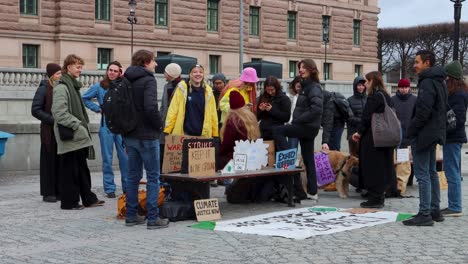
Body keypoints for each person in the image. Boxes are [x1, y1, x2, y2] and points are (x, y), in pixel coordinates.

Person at [51, 54, 105, 210]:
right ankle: (69, 202)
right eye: (77, 66)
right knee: (69, 171)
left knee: (81, 168)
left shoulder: (73, 86)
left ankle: (88, 198)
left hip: (77, 136)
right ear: (68, 67)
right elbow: (59, 112)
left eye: (81, 66)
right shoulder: (62, 87)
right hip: (70, 135)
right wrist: (78, 125)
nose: (80, 69)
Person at [123, 49, 169, 229]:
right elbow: (151, 108)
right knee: (152, 177)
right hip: (147, 135)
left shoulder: (125, 79)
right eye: (153, 61)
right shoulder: (148, 80)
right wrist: (159, 126)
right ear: (145, 62)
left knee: (133, 177)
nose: (156, 64)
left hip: (130, 134)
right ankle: (152, 217)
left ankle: (131, 215)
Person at [403, 50, 447, 226]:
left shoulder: (427, 82)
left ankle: (425, 213)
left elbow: (423, 111)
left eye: (417, 62)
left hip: (424, 134)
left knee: (423, 175)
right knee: (431, 172)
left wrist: (411, 130)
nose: (414, 65)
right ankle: (434, 210)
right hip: (434, 132)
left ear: (427, 63)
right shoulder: (440, 81)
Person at [274, 59, 323, 201]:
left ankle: (288, 159)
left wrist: (299, 119)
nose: (300, 69)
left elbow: (316, 109)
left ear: (311, 69)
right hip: (308, 127)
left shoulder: (313, 87)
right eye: (300, 67)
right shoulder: (306, 86)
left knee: (279, 131)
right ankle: (313, 192)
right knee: (308, 159)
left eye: (303, 67)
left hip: (306, 126)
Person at [82, 61, 129, 198]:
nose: (112, 72)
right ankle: (109, 188)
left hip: (121, 127)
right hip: (106, 127)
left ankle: (127, 187)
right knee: (107, 159)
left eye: (115, 71)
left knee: (125, 158)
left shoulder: (123, 85)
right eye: (110, 70)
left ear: (119, 72)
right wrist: (98, 109)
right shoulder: (100, 86)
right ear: (107, 71)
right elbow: (85, 98)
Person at [220, 91, 275, 203]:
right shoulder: (251, 117)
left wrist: (219, 154)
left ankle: (229, 188)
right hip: (252, 158)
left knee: (220, 159)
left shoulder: (233, 120)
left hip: (236, 158)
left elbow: (227, 144)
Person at [351, 71, 395, 209]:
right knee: (382, 167)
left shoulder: (374, 97)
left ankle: (375, 198)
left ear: (372, 82)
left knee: (372, 168)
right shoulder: (387, 96)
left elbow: (366, 117)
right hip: (386, 138)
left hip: (373, 138)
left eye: (366, 81)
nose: (365, 84)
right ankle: (379, 196)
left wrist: (358, 132)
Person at [31, 63, 62, 203]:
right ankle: (48, 192)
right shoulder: (43, 89)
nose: (60, 76)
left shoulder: (60, 88)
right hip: (48, 132)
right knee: (48, 161)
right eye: (57, 73)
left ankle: (58, 190)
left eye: (60, 73)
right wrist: (52, 120)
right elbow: (35, 109)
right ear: (51, 75)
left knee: (59, 161)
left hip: (59, 131)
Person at [441, 60, 467, 217]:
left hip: (452, 139)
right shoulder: (459, 93)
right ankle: (454, 205)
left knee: (452, 172)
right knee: (452, 171)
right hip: (453, 138)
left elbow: (458, 120)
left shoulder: (458, 95)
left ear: (451, 78)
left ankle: (455, 206)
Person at [164, 64, 218, 138]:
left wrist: (215, 133)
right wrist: (168, 129)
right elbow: (173, 110)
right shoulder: (182, 88)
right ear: (190, 75)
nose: (198, 74)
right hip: (184, 134)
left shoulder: (208, 91)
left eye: (201, 72)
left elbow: (213, 114)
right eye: (195, 72)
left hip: (203, 135)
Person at [391, 78, 417, 195]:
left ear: (409, 88)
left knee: (404, 164)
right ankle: (392, 185)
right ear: (398, 88)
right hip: (395, 136)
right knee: (394, 163)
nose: (404, 90)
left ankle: (400, 188)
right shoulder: (392, 100)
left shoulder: (414, 100)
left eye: (406, 87)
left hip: (408, 137)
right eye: (402, 87)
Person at [257, 76, 291, 148]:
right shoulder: (263, 97)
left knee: (276, 155)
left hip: (277, 134)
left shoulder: (284, 99)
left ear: (276, 87)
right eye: (267, 90)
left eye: (272, 90)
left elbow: (286, 117)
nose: (270, 92)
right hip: (264, 132)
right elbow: (257, 118)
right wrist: (260, 110)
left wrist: (272, 110)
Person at [159, 63, 182, 166]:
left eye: (166, 72)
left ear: (171, 74)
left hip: (176, 126)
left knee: (173, 153)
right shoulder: (166, 86)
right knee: (162, 149)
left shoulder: (182, 87)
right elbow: (163, 106)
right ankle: (162, 176)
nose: (164, 74)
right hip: (164, 125)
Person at [347, 76, 367, 157]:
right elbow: (349, 118)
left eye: (363, 85)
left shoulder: (369, 99)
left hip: (366, 133)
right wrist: (363, 121)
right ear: (355, 86)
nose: (361, 87)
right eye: (359, 85)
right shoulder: (349, 100)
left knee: (366, 156)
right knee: (354, 157)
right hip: (353, 133)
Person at [287, 76, 302, 149]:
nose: (300, 89)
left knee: (306, 153)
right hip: (292, 125)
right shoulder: (290, 96)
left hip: (304, 126)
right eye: (298, 87)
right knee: (292, 150)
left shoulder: (308, 96)